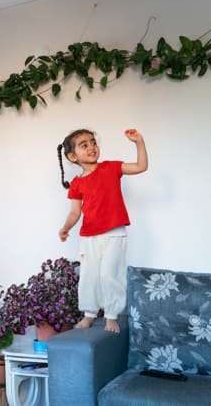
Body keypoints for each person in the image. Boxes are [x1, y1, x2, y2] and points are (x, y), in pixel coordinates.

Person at [57, 128, 147, 333]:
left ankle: (111, 315)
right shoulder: (77, 184)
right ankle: (89, 314)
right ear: (73, 156)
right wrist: (66, 227)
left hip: (114, 233)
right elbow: (74, 212)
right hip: (89, 236)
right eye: (84, 145)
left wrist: (138, 142)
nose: (91, 147)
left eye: (93, 142)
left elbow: (141, 166)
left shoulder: (111, 168)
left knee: (109, 274)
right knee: (89, 276)